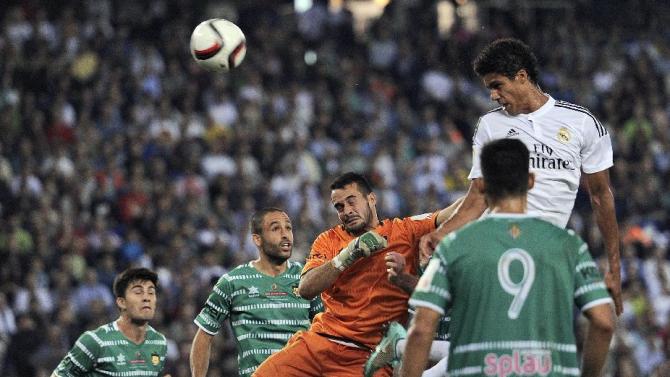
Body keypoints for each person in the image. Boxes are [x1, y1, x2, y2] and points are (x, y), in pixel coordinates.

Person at [419, 38, 623, 316]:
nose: (492, 95)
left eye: (497, 85)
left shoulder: (582, 123)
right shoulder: (490, 125)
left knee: (505, 344)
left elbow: (601, 196)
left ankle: (404, 346)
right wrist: (441, 233)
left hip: (545, 251)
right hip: (497, 244)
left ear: (522, 77)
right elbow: (479, 193)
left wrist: (614, 267)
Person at [400, 138, 615, 377]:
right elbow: (604, 323)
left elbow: (421, 330)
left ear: (480, 186)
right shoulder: (569, 245)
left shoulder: (454, 246)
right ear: (531, 181)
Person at [253, 172, 462, 377]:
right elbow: (306, 288)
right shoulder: (329, 239)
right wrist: (348, 255)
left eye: (352, 202)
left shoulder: (405, 231)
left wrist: (485, 181)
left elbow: (459, 210)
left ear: (371, 198)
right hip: (320, 343)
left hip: (368, 357)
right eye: (339, 207)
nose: (347, 211)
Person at [189, 208, 323, 377]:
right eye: (275, 229)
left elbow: (325, 332)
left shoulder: (307, 277)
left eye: (288, 228)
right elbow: (204, 335)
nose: (285, 234)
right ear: (257, 239)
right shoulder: (233, 282)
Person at [51, 268, 169, 377]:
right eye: (138, 292)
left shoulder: (159, 342)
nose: (146, 298)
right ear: (122, 302)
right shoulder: (95, 341)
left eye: (151, 292)